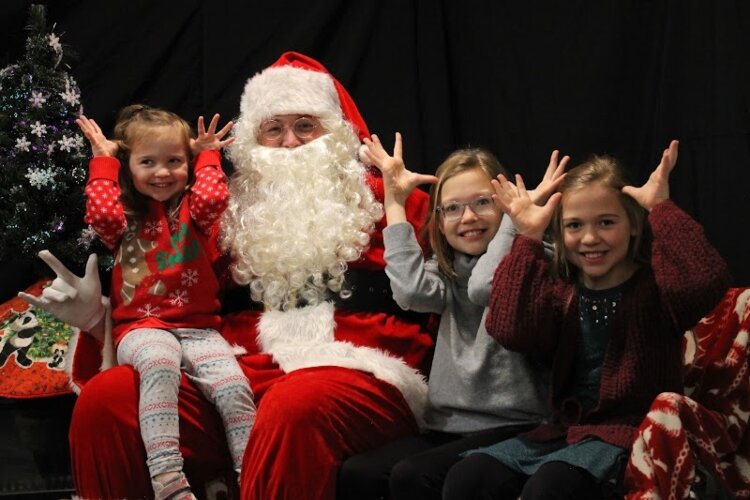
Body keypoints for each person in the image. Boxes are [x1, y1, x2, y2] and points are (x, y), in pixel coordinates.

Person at [29, 52, 435, 500]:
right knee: (109, 400)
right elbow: (167, 296)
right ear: (253, 139)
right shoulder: (226, 214)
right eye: (273, 128)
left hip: (361, 367)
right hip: (241, 369)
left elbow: (454, 294)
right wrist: (96, 322)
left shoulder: (397, 201)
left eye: (305, 125)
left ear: (336, 132)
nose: (289, 143)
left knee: (293, 405)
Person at [441, 140, 732, 499]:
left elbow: (706, 281)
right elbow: (510, 330)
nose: (590, 238)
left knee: (550, 487)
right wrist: (528, 237)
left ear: (633, 226)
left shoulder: (655, 290)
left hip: (631, 435)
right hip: (563, 434)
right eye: (575, 226)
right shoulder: (563, 291)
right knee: (468, 477)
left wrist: (660, 208)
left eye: (606, 222)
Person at [336, 134, 566, 499]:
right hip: (449, 425)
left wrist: (514, 224)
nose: (469, 217)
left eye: (483, 203)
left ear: (506, 203)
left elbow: (484, 288)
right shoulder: (448, 269)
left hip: (519, 426)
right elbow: (410, 293)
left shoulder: (533, 256)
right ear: (439, 221)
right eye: (453, 209)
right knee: (360, 473)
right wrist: (395, 202)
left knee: (415, 476)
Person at [74, 105, 252, 499]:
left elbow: (211, 196)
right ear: (129, 166)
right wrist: (105, 161)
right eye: (148, 162)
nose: (162, 172)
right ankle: (167, 477)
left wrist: (207, 153)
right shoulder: (123, 215)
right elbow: (100, 212)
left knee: (232, 386)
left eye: (174, 161)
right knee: (158, 364)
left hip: (200, 330)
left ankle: (252, 477)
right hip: (141, 328)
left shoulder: (196, 212)